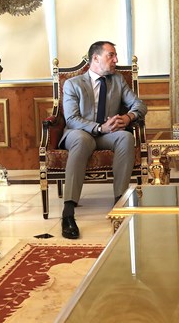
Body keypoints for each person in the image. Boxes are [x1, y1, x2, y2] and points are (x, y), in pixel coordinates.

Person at [59, 41, 147, 239]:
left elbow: (139, 105)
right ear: (96, 58)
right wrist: (99, 127)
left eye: (115, 55)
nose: (116, 60)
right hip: (79, 133)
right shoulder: (73, 84)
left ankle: (120, 202)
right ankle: (68, 212)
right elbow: (71, 119)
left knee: (125, 137)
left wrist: (128, 118)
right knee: (82, 140)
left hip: (107, 136)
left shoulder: (118, 80)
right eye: (111, 55)